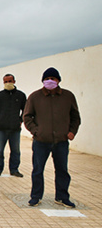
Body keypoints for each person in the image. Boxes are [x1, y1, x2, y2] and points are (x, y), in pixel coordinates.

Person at [23, 67, 81, 207]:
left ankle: (62, 197)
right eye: (47, 79)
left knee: (62, 170)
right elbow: (27, 116)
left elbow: (75, 116)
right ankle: (36, 196)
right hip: (41, 141)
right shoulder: (35, 97)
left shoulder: (68, 96)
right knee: (37, 170)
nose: (50, 81)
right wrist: (36, 131)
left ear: (58, 80)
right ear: (43, 81)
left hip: (61, 141)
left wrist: (72, 131)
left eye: (52, 79)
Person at [0, 74, 26, 178]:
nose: (8, 83)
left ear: (14, 81)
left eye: (10, 81)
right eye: (5, 81)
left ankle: (14, 169)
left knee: (15, 150)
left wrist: (20, 120)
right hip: (1, 128)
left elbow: (25, 109)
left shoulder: (20, 95)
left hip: (15, 128)